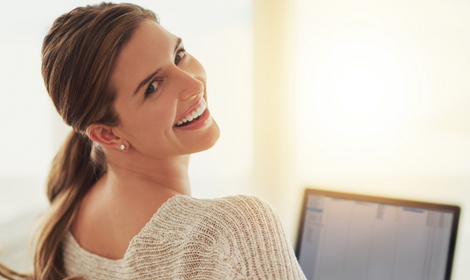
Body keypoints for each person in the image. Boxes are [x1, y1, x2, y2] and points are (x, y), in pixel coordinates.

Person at [0, 3, 306, 280]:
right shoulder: (232, 231)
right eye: (153, 87)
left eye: (179, 55)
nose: (193, 83)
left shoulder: (64, 221)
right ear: (107, 134)